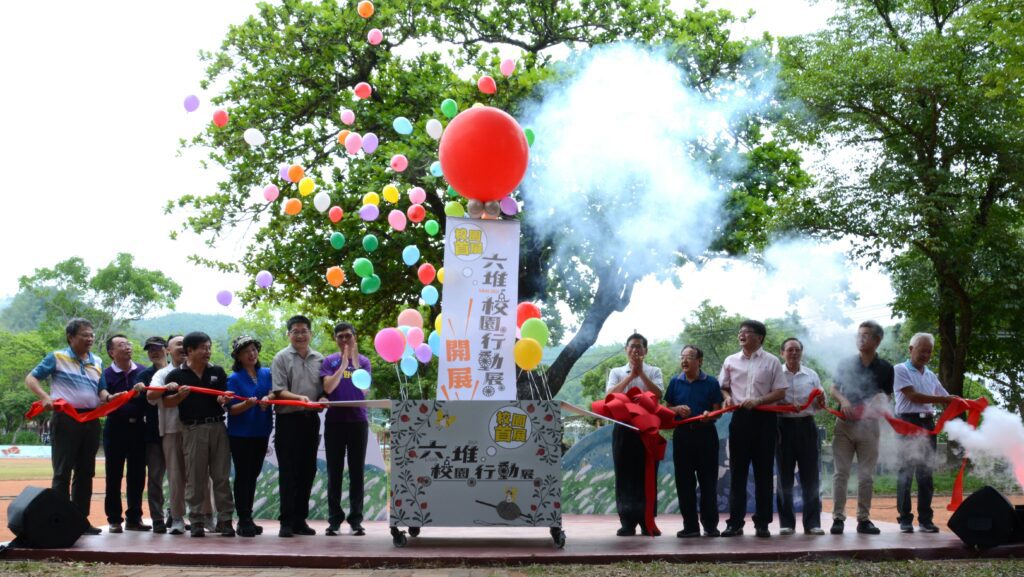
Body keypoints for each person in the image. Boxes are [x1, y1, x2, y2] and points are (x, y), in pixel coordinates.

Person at [24, 318, 107, 534]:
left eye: (91, 335)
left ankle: (80, 521)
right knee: (62, 471)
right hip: (66, 418)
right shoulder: (57, 357)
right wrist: (45, 397)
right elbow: (31, 378)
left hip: (91, 419)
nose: (90, 339)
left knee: (86, 472)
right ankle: (59, 521)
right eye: (84, 335)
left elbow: (101, 389)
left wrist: (110, 397)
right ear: (70, 337)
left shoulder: (98, 361)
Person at [718, 320, 787, 538]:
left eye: (747, 332)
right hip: (740, 419)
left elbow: (781, 391)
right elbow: (723, 387)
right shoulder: (730, 360)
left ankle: (762, 523)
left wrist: (759, 400)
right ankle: (735, 523)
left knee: (763, 473)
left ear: (760, 337)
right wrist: (727, 398)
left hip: (765, 419)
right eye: (740, 332)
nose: (742, 335)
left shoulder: (772, 361)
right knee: (737, 473)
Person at [163, 331, 235, 538]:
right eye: (203, 348)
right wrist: (179, 395)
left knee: (221, 476)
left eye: (209, 347)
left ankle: (225, 520)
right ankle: (196, 520)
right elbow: (167, 402)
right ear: (190, 350)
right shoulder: (176, 376)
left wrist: (223, 399)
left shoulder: (217, 371)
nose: (208, 351)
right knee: (195, 477)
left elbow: (222, 396)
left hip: (218, 427)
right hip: (192, 429)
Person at [829, 320, 894, 535]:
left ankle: (863, 519)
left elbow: (888, 395)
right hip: (844, 424)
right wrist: (844, 401)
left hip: (869, 426)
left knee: (866, 476)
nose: (860, 339)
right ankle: (838, 518)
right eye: (858, 335)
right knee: (841, 473)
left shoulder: (886, 367)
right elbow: (833, 389)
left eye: (865, 335)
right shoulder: (846, 362)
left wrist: (879, 400)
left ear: (877, 340)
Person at [894, 332, 959, 534]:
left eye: (929, 352)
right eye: (922, 351)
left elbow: (947, 398)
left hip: (928, 424)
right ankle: (905, 519)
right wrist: (945, 400)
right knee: (906, 471)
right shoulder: (900, 370)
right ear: (911, 349)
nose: (925, 355)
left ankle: (925, 520)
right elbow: (913, 396)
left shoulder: (930, 375)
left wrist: (966, 403)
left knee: (926, 473)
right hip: (907, 422)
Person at [271, 315, 325, 537]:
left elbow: (324, 389)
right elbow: (278, 391)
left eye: (304, 331)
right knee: (288, 471)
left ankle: (300, 520)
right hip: (288, 421)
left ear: (310, 333)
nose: (300, 335)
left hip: (311, 420)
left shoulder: (320, 359)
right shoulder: (281, 358)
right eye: (295, 331)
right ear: (288, 334)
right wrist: (299, 399)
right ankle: (286, 522)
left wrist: (322, 398)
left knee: (307, 471)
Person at [605, 333, 663, 536]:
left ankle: (647, 521)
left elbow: (659, 394)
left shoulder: (654, 371)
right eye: (632, 346)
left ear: (645, 351)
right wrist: (631, 376)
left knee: (647, 474)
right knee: (624, 474)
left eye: (639, 347)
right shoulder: (617, 372)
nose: (635, 350)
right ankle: (627, 522)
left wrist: (641, 374)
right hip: (623, 428)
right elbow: (609, 395)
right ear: (626, 349)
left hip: (647, 429)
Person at [663, 345, 723, 538]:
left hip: (706, 435)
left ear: (700, 361)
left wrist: (709, 415)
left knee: (708, 482)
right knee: (684, 483)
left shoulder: (711, 382)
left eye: (689, 357)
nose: (684, 360)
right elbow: (667, 409)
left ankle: (710, 526)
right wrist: (677, 409)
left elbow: (717, 410)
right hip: (682, 436)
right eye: (682, 357)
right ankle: (690, 526)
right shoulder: (675, 382)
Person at [320, 322, 372, 537]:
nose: (344, 340)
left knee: (357, 472)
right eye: (340, 336)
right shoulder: (329, 361)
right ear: (335, 339)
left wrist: (354, 363)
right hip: (335, 423)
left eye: (348, 336)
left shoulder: (364, 362)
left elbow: (364, 390)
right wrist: (342, 366)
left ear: (354, 337)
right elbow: (328, 388)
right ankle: (334, 521)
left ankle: (356, 520)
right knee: (334, 473)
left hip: (358, 422)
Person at [775, 337, 826, 536]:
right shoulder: (776, 374)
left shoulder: (811, 375)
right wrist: (786, 406)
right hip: (783, 427)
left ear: (801, 352)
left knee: (810, 477)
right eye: (790, 350)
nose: (794, 353)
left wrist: (821, 400)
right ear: (782, 353)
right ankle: (786, 523)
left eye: (797, 350)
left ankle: (812, 523)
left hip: (807, 426)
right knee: (784, 477)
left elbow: (819, 406)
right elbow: (770, 400)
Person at [225, 335, 273, 538]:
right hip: (241, 434)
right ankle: (243, 519)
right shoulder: (234, 378)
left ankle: (248, 516)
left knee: (253, 475)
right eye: (246, 351)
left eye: (253, 349)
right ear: (238, 356)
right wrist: (246, 404)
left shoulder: (267, 373)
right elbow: (231, 409)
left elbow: (274, 393)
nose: (251, 354)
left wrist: (268, 398)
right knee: (243, 475)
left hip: (261, 431)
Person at [101, 334, 150, 533]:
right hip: (115, 428)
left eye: (128, 344)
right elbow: (102, 398)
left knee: (137, 475)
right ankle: (114, 519)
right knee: (113, 475)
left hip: (139, 428)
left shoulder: (143, 371)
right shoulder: (105, 374)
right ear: (111, 352)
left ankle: (134, 518)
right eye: (121, 345)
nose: (127, 347)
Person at [135, 336, 169, 534]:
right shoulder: (143, 375)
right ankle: (158, 518)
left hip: (176, 431)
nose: (154, 352)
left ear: (166, 349)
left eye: (157, 348)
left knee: (180, 477)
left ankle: (176, 515)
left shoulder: (177, 372)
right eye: (150, 349)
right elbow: (138, 402)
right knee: (155, 477)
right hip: (154, 434)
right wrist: (138, 391)